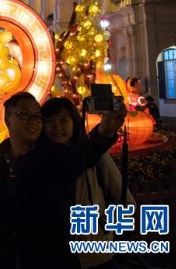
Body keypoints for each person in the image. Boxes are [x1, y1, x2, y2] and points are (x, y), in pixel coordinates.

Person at [0, 91, 125, 269]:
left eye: (37, 116)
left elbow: (85, 153)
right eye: (24, 114)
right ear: (7, 119)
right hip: (6, 261)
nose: (33, 120)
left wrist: (104, 131)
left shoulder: (55, 157)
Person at [41, 96, 136, 269]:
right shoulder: (38, 161)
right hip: (55, 256)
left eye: (64, 120)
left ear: (74, 123)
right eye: (49, 121)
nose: (57, 127)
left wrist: (101, 226)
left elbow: (125, 201)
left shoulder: (97, 157)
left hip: (97, 255)